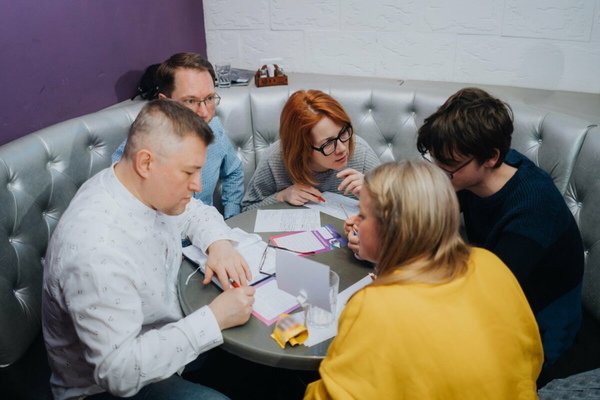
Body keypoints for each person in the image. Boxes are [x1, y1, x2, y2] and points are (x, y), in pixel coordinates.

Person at [42, 100, 255, 400]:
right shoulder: (97, 251)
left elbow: (194, 212)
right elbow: (119, 372)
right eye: (189, 172)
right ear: (145, 163)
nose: (198, 185)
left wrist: (218, 244)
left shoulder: (137, 186)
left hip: (168, 334)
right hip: (106, 389)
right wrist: (214, 318)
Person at [304, 161, 543, 399]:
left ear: (392, 230)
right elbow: (531, 356)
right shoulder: (491, 264)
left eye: (363, 215)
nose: (354, 221)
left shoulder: (375, 305)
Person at [415, 87, 584, 366]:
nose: (440, 173)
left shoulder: (533, 208)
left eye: (449, 165)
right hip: (491, 296)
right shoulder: (477, 171)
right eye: (435, 160)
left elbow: (487, 293)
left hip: (538, 332)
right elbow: (430, 212)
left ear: (491, 158)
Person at [113, 52, 244, 219]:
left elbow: (234, 171)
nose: (204, 113)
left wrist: (232, 217)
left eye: (209, 98)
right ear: (164, 102)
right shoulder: (135, 149)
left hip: (207, 228)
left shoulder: (214, 128)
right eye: (190, 101)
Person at [241, 90, 380, 211]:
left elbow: (393, 209)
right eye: (327, 143)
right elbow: (247, 209)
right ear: (302, 149)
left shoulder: (361, 152)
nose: (342, 148)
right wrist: (281, 196)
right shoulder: (275, 159)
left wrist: (374, 197)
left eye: (343, 133)